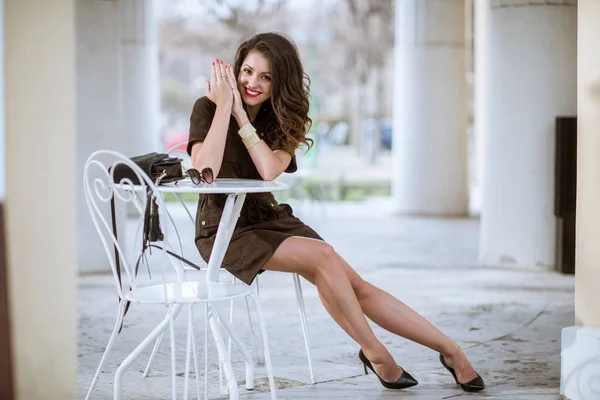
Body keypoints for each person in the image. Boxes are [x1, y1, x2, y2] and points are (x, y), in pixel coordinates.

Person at [187, 32, 485, 392]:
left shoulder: (283, 116)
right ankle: (376, 353)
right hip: (224, 229)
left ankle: (450, 350)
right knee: (324, 256)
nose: (252, 83)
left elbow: (268, 169)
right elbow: (206, 171)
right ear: (236, 70)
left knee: (356, 286)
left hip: (269, 218)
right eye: (247, 71)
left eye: (265, 77)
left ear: (279, 82)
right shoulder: (207, 107)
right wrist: (223, 108)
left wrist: (242, 118)